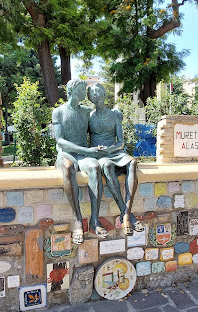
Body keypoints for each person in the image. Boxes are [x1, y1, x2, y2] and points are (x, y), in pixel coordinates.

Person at [52, 79, 108, 244]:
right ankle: (77, 220)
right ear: (72, 91)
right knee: (68, 169)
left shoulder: (86, 112)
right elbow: (60, 140)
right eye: (82, 90)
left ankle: (95, 220)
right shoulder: (59, 112)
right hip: (66, 154)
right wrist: (86, 151)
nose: (85, 93)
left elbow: (99, 129)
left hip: (83, 154)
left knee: (95, 167)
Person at [87, 83, 144, 235]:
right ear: (89, 97)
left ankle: (125, 212)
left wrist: (111, 148)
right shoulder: (88, 116)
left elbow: (121, 141)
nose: (96, 94)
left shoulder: (114, 114)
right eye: (92, 92)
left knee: (132, 162)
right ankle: (127, 215)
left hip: (114, 152)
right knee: (107, 166)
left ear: (105, 94)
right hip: (99, 155)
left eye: (98, 91)